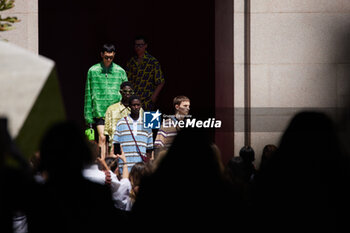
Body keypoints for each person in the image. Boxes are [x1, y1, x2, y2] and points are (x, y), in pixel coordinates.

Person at [84, 43, 128, 159]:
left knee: (115, 141)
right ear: (101, 55)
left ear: (114, 56)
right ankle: (101, 166)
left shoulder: (120, 71)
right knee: (102, 138)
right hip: (100, 111)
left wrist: (126, 111)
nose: (108, 59)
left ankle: (114, 169)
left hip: (116, 112)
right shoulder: (93, 71)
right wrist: (88, 117)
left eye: (111, 57)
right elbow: (88, 93)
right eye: (106, 57)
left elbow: (127, 93)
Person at [113, 96, 153, 175]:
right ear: (129, 106)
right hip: (124, 167)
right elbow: (116, 145)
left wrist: (147, 166)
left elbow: (149, 149)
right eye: (133, 105)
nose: (136, 107)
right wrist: (118, 164)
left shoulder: (147, 124)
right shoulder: (121, 123)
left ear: (140, 106)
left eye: (138, 105)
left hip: (140, 168)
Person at [126, 35, 165, 111]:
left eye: (140, 45)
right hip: (134, 101)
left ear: (145, 46)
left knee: (148, 122)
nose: (138, 47)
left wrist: (153, 97)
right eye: (136, 45)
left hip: (147, 101)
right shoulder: (131, 62)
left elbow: (161, 82)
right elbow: (127, 81)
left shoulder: (152, 61)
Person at [104, 81, 143, 155]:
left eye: (130, 91)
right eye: (125, 91)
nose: (127, 93)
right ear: (120, 92)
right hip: (115, 150)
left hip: (134, 149)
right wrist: (107, 155)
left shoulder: (140, 110)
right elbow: (107, 135)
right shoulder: (111, 109)